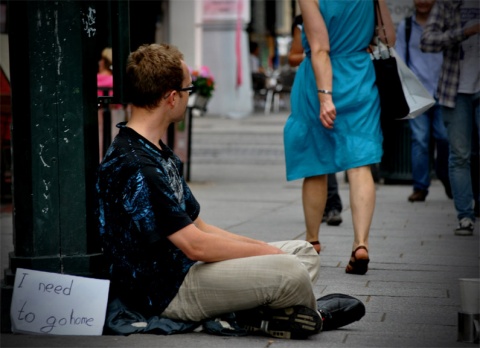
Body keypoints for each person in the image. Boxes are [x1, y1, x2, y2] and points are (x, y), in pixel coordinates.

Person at [95, 43, 364, 339]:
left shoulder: (157, 151)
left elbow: (199, 226)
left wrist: (262, 250)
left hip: (184, 270)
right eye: (188, 90)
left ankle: (267, 313)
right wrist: (269, 255)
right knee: (292, 271)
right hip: (167, 292)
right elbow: (195, 245)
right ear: (172, 98)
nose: (189, 96)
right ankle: (311, 315)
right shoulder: (137, 165)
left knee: (303, 253)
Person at [283, 0, 395, 273]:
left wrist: (325, 96)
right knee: (360, 164)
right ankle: (361, 244)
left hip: (319, 81)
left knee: (316, 164)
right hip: (359, 75)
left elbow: (320, 47)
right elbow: (388, 38)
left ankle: (312, 242)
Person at [420, 0, 479, 235]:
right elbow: (427, 41)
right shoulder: (448, 4)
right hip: (455, 91)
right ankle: (465, 216)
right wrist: (464, 32)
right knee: (459, 156)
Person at [288, 14, 343, 227]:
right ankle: (329, 205)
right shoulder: (302, 21)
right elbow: (293, 56)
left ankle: (330, 205)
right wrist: (313, 53)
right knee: (317, 146)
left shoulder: (337, 15)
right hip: (310, 87)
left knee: (327, 145)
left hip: (338, 82)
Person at [395, 0, 451, 203]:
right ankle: (420, 187)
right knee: (420, 140)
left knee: (444, 137)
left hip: (443, 90)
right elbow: (399, 59)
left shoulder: (444, 26)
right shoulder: (406, 26)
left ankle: (445, 175)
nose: (423, 2)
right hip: (417, 93)